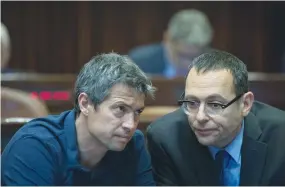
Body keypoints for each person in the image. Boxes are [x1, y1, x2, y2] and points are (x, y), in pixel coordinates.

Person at [1, 53, 156, 186]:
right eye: (120, 109)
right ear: (85, 103)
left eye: (137, 112)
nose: (130, 125)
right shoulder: (34, 146)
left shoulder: (134, 145)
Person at [146, 50, 285, 185]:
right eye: (192, 103)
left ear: (245, 104)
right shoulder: (166, 139)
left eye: (214, 104)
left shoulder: (280, 137)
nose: (200, 117)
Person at [128, 9, 214, 78]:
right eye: (182, 55)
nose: (188, 65)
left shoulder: (217, 66)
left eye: (195, 57)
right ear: (167, 39)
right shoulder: (139, 63)